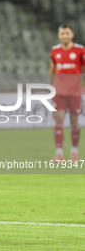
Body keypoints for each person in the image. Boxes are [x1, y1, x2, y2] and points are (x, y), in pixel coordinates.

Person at [49, 24, 84, 162]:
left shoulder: (80, 50)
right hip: (60, 91)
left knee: (74, 122)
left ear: (72, 35)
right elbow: (52, 69)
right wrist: (52, 87)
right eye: (62, 33)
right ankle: (59, 154)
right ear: (59, 35)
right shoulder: (55, 51)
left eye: (67, 33)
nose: (65, 36)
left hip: (75, 91)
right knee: (59, 120)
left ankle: (74, 152)